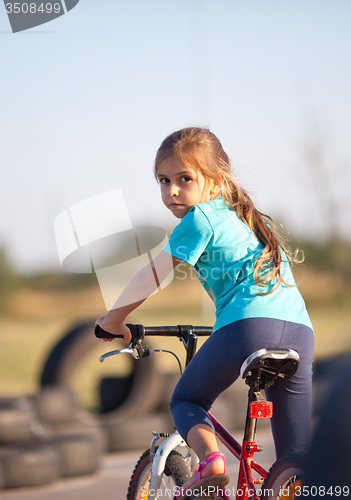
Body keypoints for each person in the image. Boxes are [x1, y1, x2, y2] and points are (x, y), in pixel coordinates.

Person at [96, 127, 314, 496]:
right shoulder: (248, 220)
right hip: (299, 332)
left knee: (187, 400)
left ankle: (211, 461)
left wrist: (113, 320)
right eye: (163, 181)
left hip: (247, 328)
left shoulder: (201, 218)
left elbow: (152, 275)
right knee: (296, 462)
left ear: (216, 181)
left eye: (185, 179)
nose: (172, 191)